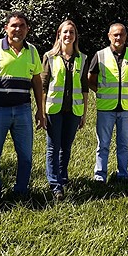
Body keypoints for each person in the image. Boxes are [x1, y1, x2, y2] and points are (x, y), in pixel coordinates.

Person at [0, 12, 45, 206]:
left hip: (23, 110)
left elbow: (37, 82)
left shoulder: (32, 51)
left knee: (25, 155)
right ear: (6, 28)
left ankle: (21, 191)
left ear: (27, 29)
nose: (18, 29)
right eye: (14, 25)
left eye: (22, 25)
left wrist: (40, 110)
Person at [88, 22, 128, 182]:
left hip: (127, 109)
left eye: (121, 34)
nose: (118, 37)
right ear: (109, 36)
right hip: (106, 108)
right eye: (115, 34)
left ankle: (123, 175)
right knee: (103, 145)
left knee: (124, 145)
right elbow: (89, 80)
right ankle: (100, 176)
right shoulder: (100, 55)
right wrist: (102, 92)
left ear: (126, 36)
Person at [41, 20, 89, 200]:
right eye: (65, 32)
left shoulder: (82, 58)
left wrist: (84, 113)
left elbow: (85, 88)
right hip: (53, 109)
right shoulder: (49, 57)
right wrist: (42, 111)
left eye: (72, 32)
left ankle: (63, 177)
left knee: (66, 146)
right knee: (53, 147)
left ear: (75, 36)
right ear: (59, 35)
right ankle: (55, 185)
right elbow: (43, 86)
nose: (68, 35)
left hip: (74, 110)